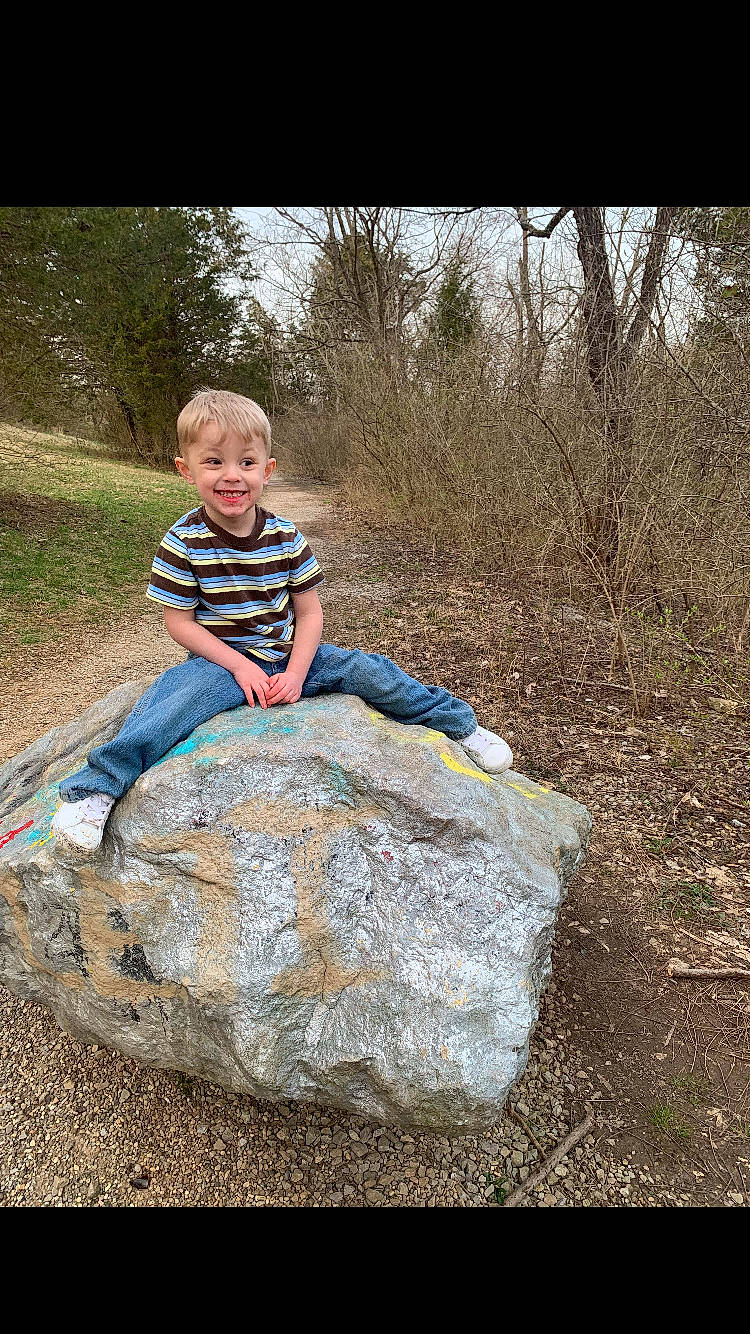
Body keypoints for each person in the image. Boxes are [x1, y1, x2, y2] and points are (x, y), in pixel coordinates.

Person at [52, 390, 513, 854]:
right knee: (171, 704)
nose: (232, 475)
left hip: (290, 656)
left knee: (369, 669)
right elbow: (180, 623)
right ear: (186, 469)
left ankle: (460, 726)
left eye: (246, 462)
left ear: (267, 470)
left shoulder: (286, 536)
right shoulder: (182, 542)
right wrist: (239, 667)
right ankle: (96, 790)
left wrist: (295, 672)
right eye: (213, 461)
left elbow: (310, 612)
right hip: (221, 664)